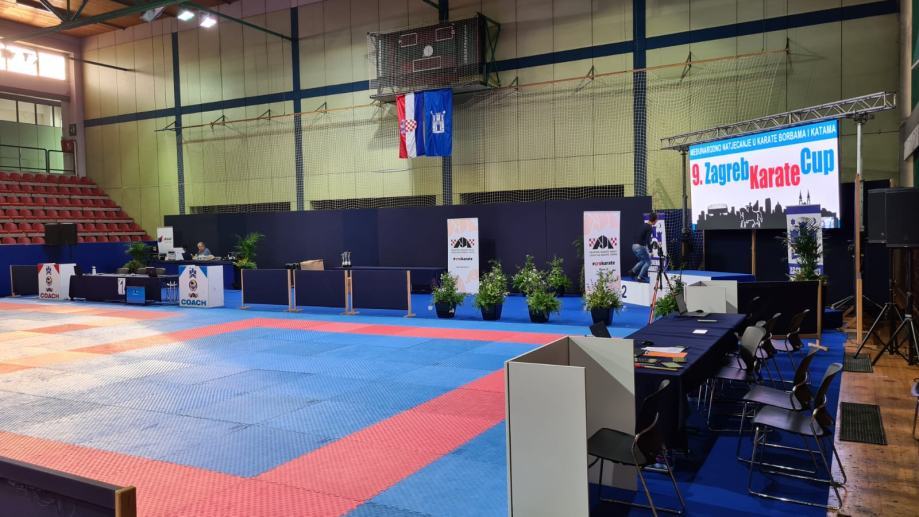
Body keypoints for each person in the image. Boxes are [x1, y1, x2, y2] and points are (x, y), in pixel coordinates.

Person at [629, 213, 656, 283]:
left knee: (643, 260)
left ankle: (632, 271)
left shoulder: (643, 225)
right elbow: (648, 240)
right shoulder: (649, 227)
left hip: (634, 246)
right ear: (655, 220)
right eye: (657, 220)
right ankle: (639, 277)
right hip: (640, 247)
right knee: (648, 262)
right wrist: (650, 251)